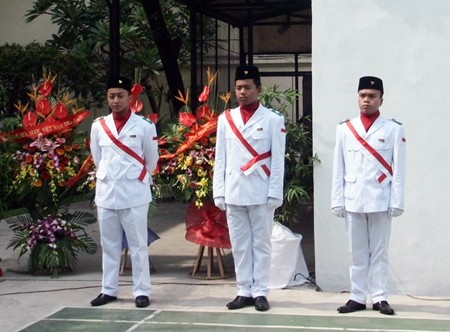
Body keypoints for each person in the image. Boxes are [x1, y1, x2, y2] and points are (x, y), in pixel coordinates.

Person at [213, 65, 286, 311]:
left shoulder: (273, 119)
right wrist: (219, 191)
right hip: (234, 191)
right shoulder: (226, 119)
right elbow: (220, 158)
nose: (242, 92)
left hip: (260, 191)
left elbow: (278, 160)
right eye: (238, 88)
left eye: (247, 87)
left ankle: (261, 291)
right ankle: (243, 289)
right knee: (240, 243)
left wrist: (275, 192)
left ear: (259, 89)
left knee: (261, 244)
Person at [331, 76, 406, 315]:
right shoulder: (344, 129)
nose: (366, 100)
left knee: (380, 253)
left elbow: (400, 169)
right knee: (357, 252)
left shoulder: (393, 129)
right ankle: (357, 297)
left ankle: (381, 297)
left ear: (381, 99)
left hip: (381, 200)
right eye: (362, 95)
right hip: (353, 198)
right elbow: (338, 168)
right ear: (357, 97)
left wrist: (397, 201)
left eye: (372, 96)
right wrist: (337, 200)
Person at [89, 75, 159, 308]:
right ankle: (108, 289)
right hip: (107, 193)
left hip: (134, 194)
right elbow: (98, 159)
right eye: (111, 96)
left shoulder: (144, 126)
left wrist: (135, 178)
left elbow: (151, 160)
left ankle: (141, 291)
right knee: (109, 244)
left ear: (131, 97)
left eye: (120, 96)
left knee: (138, 245)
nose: (116, 100)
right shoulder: (98, 126)